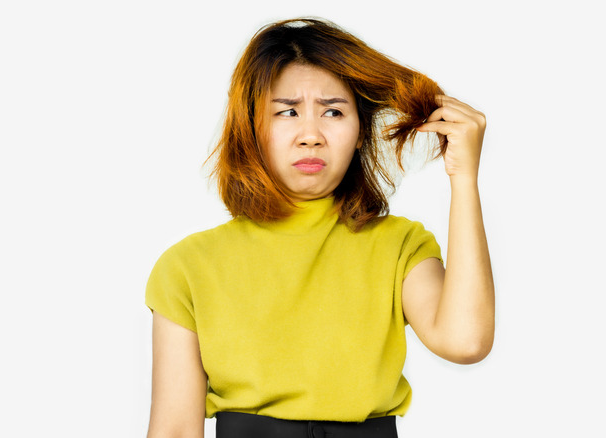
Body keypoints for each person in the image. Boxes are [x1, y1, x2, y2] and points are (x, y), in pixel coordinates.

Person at [144, 17, 494, 438]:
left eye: (333, 111)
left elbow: (466, 341)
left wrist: (464, 179)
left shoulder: (400, 246)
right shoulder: (188, 267)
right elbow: (176, 431)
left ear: (361, 131)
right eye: (287, 111)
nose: (310, 135)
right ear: (252, 128)